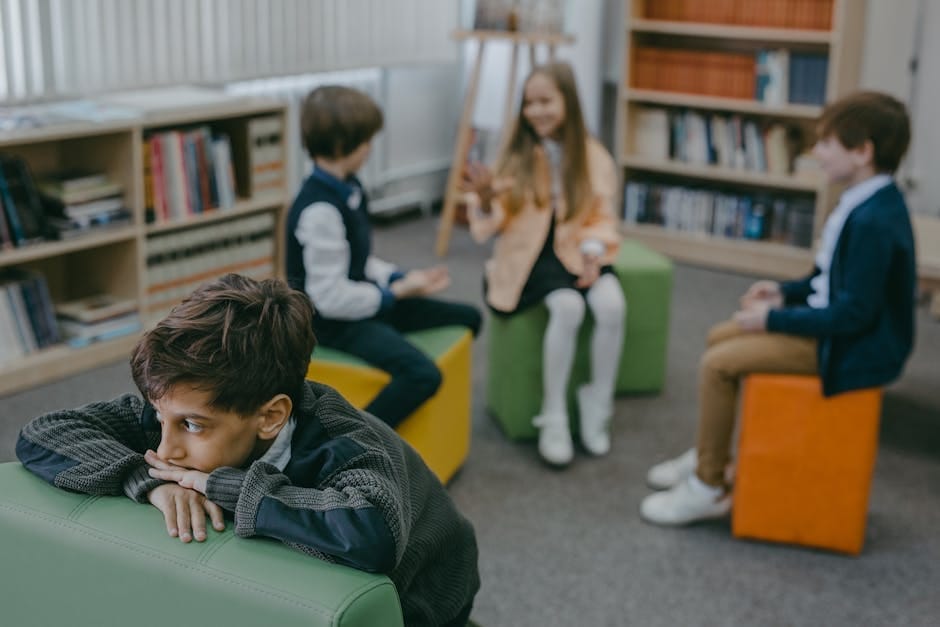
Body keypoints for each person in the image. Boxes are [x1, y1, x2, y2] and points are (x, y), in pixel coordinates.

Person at [16, 274, 480, 627]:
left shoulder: (342, 440)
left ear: (271, 416)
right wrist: (146, 480)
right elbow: (44, 431)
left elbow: (371, 534)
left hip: (428, 592)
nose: (165, 447)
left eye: (191, 426)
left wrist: (220, 486)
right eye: (160, 419)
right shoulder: (181, 409)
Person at [641, 91, 917, 526]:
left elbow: (854, 315)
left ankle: (707, 486)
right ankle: (712, 452)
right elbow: (828, 279)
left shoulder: (874, 221)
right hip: (836, 329)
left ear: (863, 151)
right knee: (720, 336)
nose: (817, 153)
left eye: (827, 144)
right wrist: (784, 294)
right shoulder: (861, 201)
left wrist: (772, 319)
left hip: (850, 348)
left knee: (718, 365)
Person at [286, 85, 482, 428]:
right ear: (340, 145)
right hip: (332, 324)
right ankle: (350, 442)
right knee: (423, 375)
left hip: (365, 302)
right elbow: (328, 298)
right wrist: (395, 294)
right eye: (366, 141)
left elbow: (359, 261)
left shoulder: (349, 186)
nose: (369, 149)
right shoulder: (319, 211)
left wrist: (400, 278)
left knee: (470, 317)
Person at [463, 62, 625, 466]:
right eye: (529, 103)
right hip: (531, 259)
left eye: (546, 101)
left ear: (568, 101)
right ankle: (553, 414)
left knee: (612, 306)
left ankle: (597, 403)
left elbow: (602, 217)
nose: (537, 111)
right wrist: (484, 200)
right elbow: (496, 219)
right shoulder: (514, 154)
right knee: (567, 308)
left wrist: (592, 251)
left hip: (579, 248)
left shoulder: (594, 156)